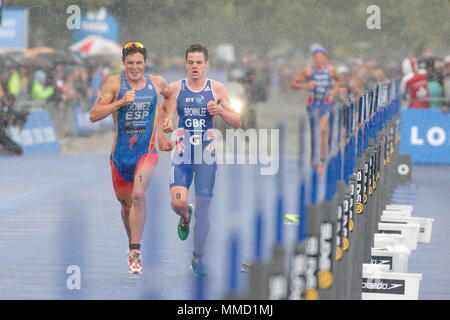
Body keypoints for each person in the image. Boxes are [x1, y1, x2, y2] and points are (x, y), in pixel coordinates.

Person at [89, 41, 176, 274]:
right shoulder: (114, 84)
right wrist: (120, 102)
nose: (135, 67)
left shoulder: (156, 82)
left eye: (139, 63)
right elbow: (93, 115)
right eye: (130, 63)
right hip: (120, 156)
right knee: (126, 206)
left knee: (139, 195)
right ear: (123, 64)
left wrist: (170, 118)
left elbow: (170, 97)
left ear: (145, 63)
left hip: (146, 152)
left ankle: (136, 250)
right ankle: (131, 245)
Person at [158, 44, 241, 276]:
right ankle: (185, 216)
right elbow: (162, 113)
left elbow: (237, 121)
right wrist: (163, 131)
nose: (195, 66)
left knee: (204, 211)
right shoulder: (175, 88)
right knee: (178, 203)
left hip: (206, 159)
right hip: (182, 157)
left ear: (207, 64)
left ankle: (198, 257)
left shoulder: (217, 89)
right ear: (185, 64)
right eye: (191, 62)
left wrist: (220, 112)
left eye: (199, 62)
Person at [290, 44, 339, 172]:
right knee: (314, 133)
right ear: (313, 59)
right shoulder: (308, 71)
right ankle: (314, 158)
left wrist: (334, 92)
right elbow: (293, 84)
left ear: (325, 59)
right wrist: (307, 86)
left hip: (326, 104)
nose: (318, 60)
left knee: (323, 131)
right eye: (316, 57)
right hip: (313, 104)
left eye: (321, 57)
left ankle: (322, 161)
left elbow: (338, 81)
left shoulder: (331, 70)